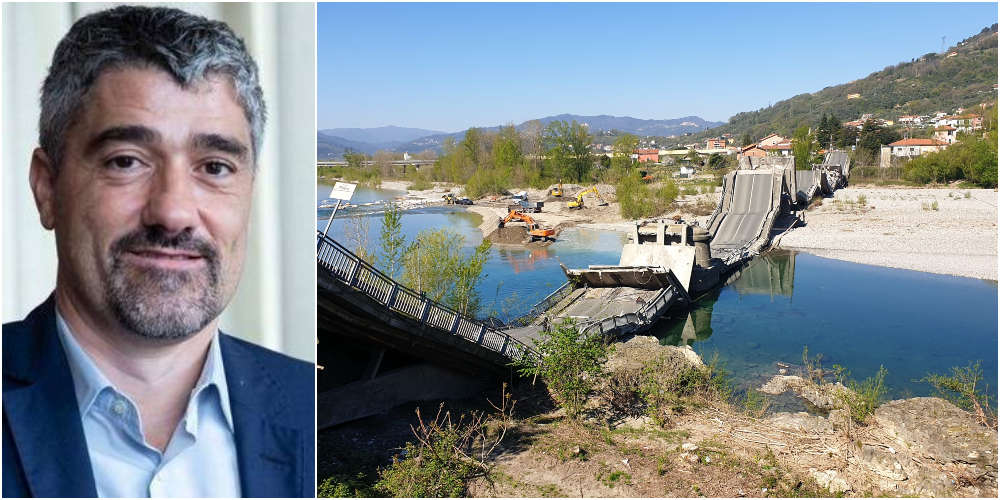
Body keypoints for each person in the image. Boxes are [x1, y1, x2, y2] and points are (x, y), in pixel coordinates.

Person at [2, 6, 314, 498]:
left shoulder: (310, 405)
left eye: (214, 167)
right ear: (47, 189)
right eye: (126, 161)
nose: (173, 211)